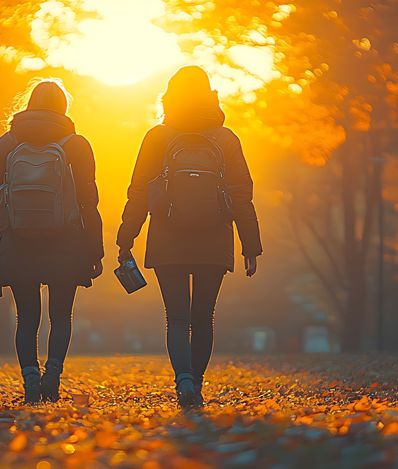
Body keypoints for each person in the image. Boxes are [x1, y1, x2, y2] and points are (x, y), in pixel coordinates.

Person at [116, 66, 262, 408]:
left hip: (168, 239)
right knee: (203, 317)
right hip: (214, 239)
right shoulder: (226, 139)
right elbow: (242, 195)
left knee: (177, 317)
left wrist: (127, 237)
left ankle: (183, 380)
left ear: (170, 97)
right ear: (210, 96)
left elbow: (138, 192)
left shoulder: (157, 137)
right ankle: (196, 382)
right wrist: (250, 246)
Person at [0, 78, 103, 404]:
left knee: (26, 317)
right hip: (67, 242)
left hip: (18, 243)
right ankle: (53, 373)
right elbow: (90, 203)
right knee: (60, 316)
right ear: (63, 107)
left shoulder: (8, 142)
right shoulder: (76, 144)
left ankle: (30, 377)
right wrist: (95, 251)